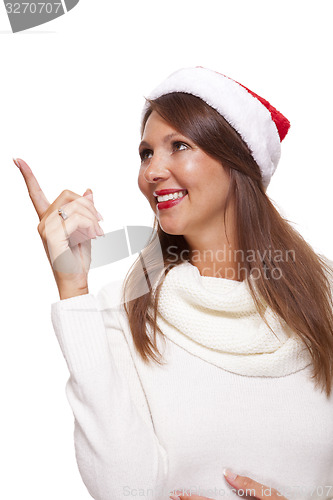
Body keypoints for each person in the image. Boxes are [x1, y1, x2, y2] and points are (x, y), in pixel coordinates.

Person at [15, 66, 333, 500]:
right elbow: (125, 489)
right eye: (146, 153)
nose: (152, 172)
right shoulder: (125, 313)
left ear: (238, 161)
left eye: (178, 146)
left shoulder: (325, 296)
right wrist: (73, 289)